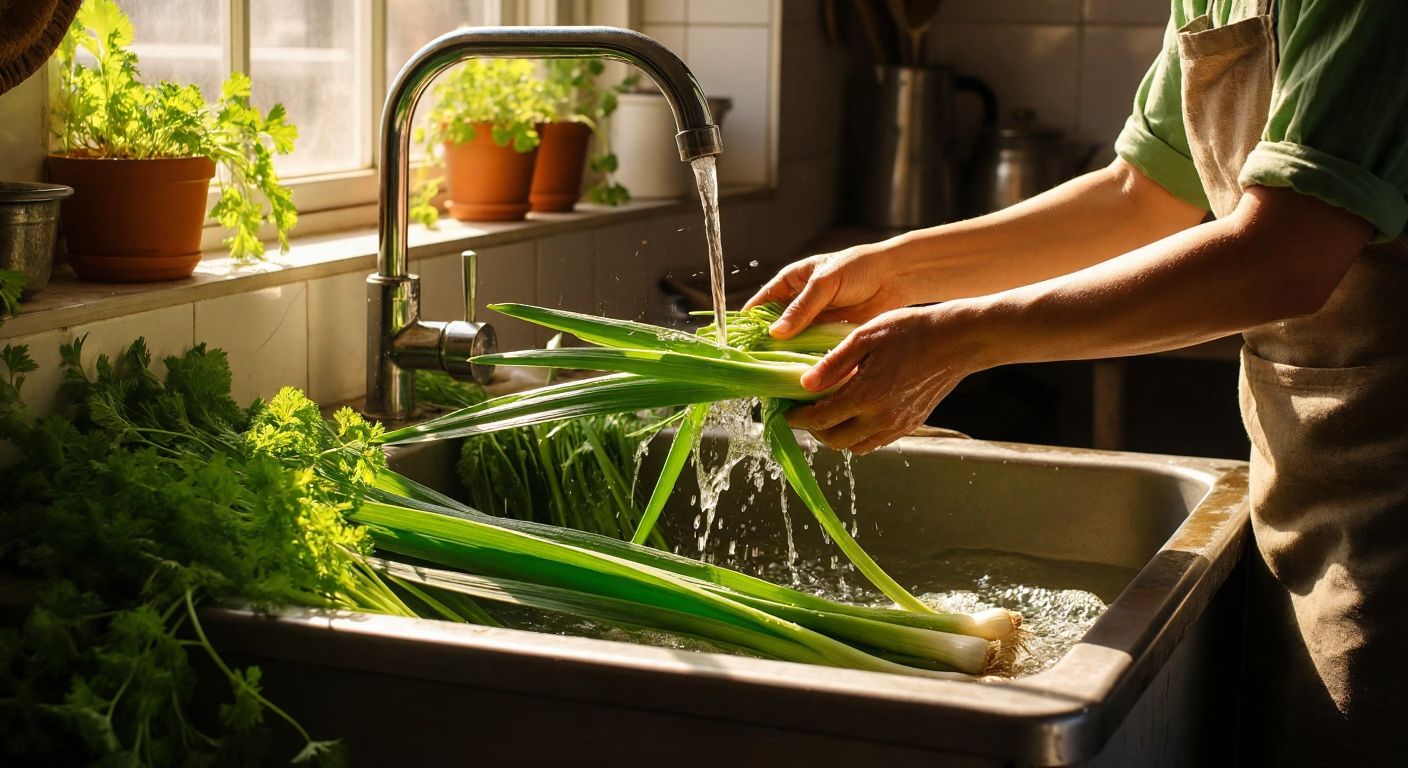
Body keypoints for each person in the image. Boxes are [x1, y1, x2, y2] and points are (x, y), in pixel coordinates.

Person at [748, 1, 1406, 764]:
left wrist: (963, 337)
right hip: (1303, 467)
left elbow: (1285, 253)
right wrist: (896, 271)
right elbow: (1140, 194)